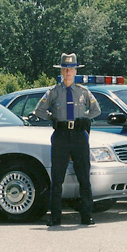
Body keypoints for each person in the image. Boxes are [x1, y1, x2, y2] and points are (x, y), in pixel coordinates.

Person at [33, 53, 101, 226]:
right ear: (61, 71)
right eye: (65, 69)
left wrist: (85, 118)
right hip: (61, 135)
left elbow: (96, 110)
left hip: (79, 135)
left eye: (71, 69)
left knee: (84, 177)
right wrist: (52, 117)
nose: (68, 72)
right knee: (57, 178)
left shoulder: (83, 92)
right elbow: (39, 110)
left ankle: (87, 216)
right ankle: (55, 217)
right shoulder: (54, 92)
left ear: (75, 70)